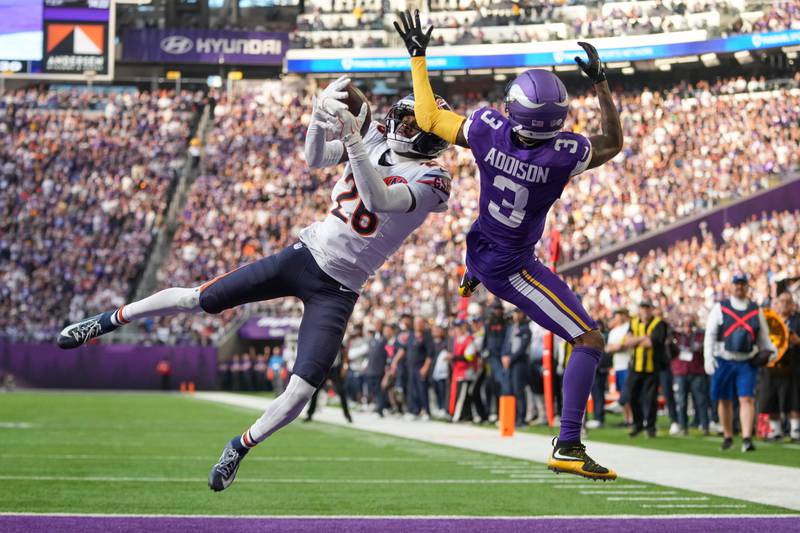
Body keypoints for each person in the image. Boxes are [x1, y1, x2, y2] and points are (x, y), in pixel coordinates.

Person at [57, 75, 455, 491]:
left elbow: (378, 200)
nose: (401, 126)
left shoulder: (432, 178)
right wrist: (317, 118)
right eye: (403, 118)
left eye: (412, 125)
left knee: (301, 391)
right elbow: (315, 158)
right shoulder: (373, 138)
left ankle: (240, 446)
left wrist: (354, 140)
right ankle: (107, 320)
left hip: (340, 288)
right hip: (304, 256)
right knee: (200, 298)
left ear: (431, 138)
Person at [395, 10, 622, 479]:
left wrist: (418, 56)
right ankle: (569, 444)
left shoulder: (486, 129)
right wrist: (601, 84)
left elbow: (428, 117)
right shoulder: (564, 155)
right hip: (512, 265)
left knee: (489, 237)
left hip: (483, 242)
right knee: (589, 339)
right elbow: (612, 142)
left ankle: (472, 273)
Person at [704, 273, 776, 452]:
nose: (739, 287)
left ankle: (746, 438)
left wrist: (771, 350)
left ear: (747, 287)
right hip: (724, 359)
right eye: (737, 284)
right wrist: (708, 357)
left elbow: (763, 336)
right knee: (724, 400)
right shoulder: (720, 307)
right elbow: (710, 333)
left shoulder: (755, 309)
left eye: (743, 284)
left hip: (746, 361)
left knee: (746, 398)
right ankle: (728, 436)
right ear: (731, 286)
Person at [757, 291, 800, 441]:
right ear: (777, 303)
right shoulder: (770, 320)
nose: (785, 304)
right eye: (782, 301)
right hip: (771, 366)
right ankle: (776, 430)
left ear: (793, 304)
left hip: (792, 366)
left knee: (794, 399)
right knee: (770, 398)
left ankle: (795, 430)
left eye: (788, 301)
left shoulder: (797, 320)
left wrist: (797, 341)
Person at [623, 301, 668, 438]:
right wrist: (643, 337)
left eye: (647, 308)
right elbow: (627, 342)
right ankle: (638, 424)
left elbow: (651, 343)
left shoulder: (659, 323)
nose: (645, 311)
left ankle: (650, 427)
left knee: (650, 399)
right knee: (632, 396)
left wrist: (635, 340)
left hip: (652, 367)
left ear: (651, 309)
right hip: (635, 367)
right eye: (643, 308)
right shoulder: (633, 322)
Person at [670, 317, 709, 435]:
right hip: (680, 371)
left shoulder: (699, 336)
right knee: (681, 401)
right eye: (685, 324)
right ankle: (683, 426)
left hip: (696, 370)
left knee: (700, 400)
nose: (687, 327)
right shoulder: (676, 336)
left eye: (690, 324)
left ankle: (704, 425)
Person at [305, 344, 352, 424]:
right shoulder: (324, 341)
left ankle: (347, 415)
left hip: (335, 370)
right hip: (324, 368)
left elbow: (345, 353)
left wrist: (345, 367)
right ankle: (309, 414)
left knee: (341, 392)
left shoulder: (338, 341)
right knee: (315, 391)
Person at [502, 308, 532, 427]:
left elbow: (522, 348)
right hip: (509, 362)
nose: (516, 315)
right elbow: (506, 343)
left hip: (519, 363)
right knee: (510, 390)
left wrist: (510, 358)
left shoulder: (526, 329)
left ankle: (521, 419)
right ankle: (512, 418)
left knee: (518, 391)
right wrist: (504, 356)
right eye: (515, 313)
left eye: (519, 313)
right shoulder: (511, 328)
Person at [605, 309, 633, 427]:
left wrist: (616, 347)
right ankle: (627, 419)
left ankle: (632, 419)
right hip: (618, 365)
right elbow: (608, 348)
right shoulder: (614, 331)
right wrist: (618, 346)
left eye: (619, 315)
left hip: (627, 364)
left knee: (628, 394)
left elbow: (625, 345)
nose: (617, 318)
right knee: (622, 392)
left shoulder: (629, 327)